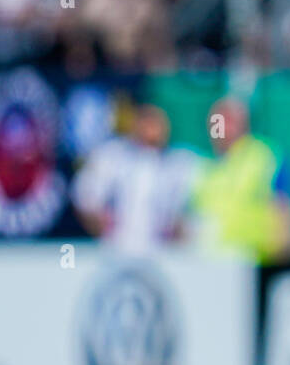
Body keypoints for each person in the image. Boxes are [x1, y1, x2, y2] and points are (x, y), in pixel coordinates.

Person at [71, 104, 199, 255]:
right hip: (114, 249)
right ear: (136, 125)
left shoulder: (180, 164)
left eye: (156, 123)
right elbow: (83, 196)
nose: (151, 129)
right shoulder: (111, 156)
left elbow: (191, 213)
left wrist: (181, 229)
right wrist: (97, 222)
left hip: (162, 252)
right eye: (146, 122)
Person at [195, 98, 290, 264]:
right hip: (212, 265)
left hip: (255, 264)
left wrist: (280, 261)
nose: (222, 127)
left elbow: (283, 211)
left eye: (229, 120)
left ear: (244, 123)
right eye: (216, 121)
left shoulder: (266, 156)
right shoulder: (204, 168)